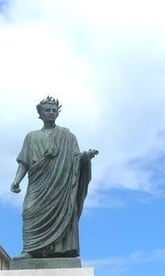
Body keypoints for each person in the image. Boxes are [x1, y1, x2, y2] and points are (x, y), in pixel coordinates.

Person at [10, 96, 99, 258]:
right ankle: (30, 249)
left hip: (60, 185)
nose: (51, 113)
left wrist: (85, 157)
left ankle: (61, 249)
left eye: (53, 110)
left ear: (57, 113)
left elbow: (75, 159)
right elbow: (24, 162)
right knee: (29, 211)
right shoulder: (31, 137)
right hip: (38, 184)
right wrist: (16, 181)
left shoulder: (68, 137)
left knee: (64, 212)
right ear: (40, 113)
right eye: (47, 110)